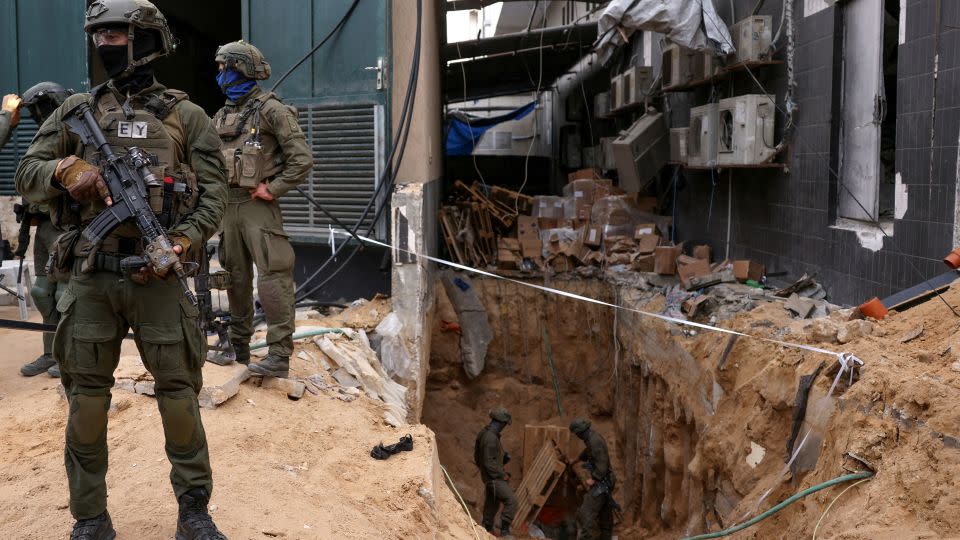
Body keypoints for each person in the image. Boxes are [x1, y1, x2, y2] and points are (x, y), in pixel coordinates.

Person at [14, 1, 228, 538]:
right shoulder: (76, 112)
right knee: (86, 400)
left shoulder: (188, 116)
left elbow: (215, 197)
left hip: (156, 278)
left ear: (149, 40)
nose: (106, 43)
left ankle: (194, 512)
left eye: (117, 33)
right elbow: (27, 172)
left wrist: (179, 242)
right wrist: (66, 168)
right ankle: (90, 518)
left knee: (178, 394)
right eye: (100, 34)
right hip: (92, 276)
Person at [207, 40, 311, 378]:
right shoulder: (221, 115)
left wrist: (274, 188)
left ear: (241, 69)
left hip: (257, 207)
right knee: (235, 279)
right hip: (228, 207)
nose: (220, 74)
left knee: (272, 278)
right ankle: (239, 349)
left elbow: (302, 159)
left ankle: (279, 355)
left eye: (225, 67)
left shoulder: (271, 110)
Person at [17, 82, 74, 379]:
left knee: (64, 292)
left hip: (64, 226)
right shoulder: (42, 138)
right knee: (40, 292)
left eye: (41, 108)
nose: (38, 115)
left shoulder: (72, 135)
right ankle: (49, 352)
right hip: (42, 227)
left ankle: (65, 355)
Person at [474, 407, 518, 538]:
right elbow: (488, 462)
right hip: (493, 478)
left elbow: (481, 457)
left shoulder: (485, 433)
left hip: (489, 476)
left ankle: (487, 528)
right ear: (500, 422)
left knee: (492, 502)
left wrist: (502, 460)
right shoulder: (490, 438)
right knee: (511, 500)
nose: (504, 427)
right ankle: (504, 531)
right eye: (504, 424)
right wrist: (501, 474)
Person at [569, 418, 616, 540]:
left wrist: (594, 479)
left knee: (586, 513)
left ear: (580, 432)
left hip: (602, 482)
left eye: (577, 434)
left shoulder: (594, 441)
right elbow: (588, 451)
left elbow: (602, 464)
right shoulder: (591, 438)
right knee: (605, 516)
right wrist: (577, 459)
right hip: (606, 481)